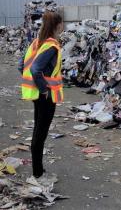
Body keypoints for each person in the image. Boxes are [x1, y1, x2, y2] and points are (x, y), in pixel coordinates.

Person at [18, 10, 64, 182]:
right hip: (46, 95)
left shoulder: (37, 42)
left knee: (38, 130)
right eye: (62, 23)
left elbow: (21, 64)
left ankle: (38, 169)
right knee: (40, 132)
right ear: (57, 25)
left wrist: (35, 84)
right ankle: (38, 173)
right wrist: (44, 89)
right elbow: (35, 69)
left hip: (37, 94)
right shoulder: (51, 46)